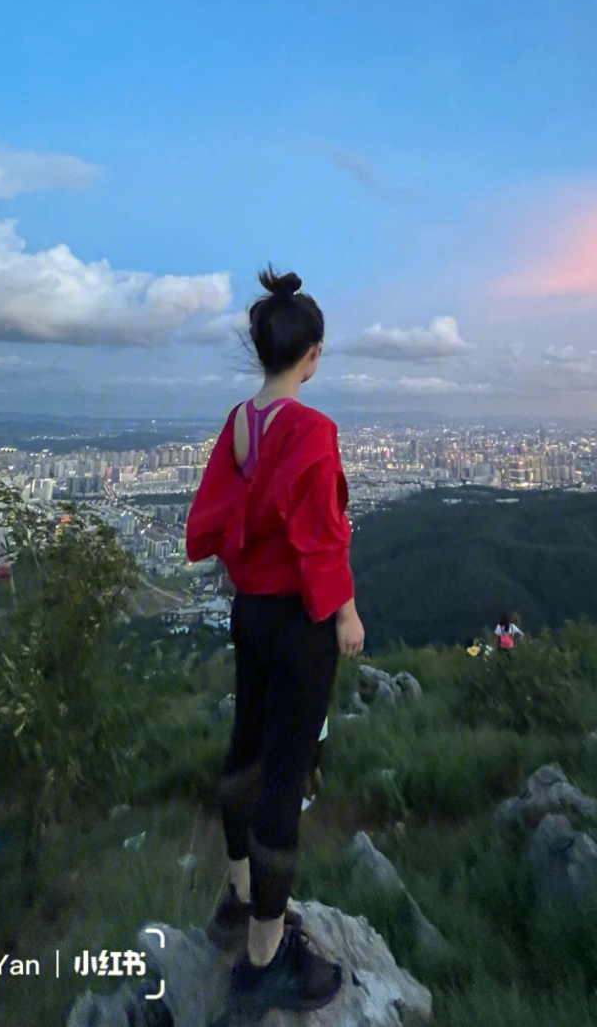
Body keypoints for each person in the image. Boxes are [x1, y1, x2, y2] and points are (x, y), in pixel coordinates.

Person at [186, 268, 363, 1015]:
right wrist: (346, 617)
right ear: (313, 354)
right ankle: (265, 954)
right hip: (297, 622)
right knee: (285, 777)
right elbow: (322, 539)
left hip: (249, 612)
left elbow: (222, 517)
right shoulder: (311, 430)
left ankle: (236, 893)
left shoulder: (239, 422)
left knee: (245, 748)